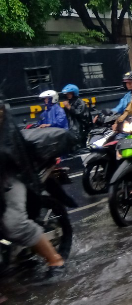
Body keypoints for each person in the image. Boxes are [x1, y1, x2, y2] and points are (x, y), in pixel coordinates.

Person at [0, 99, 66, 278]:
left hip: (10, 171)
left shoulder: (3, 115)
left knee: (13, 224)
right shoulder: (46, 109)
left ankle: (54, 259)